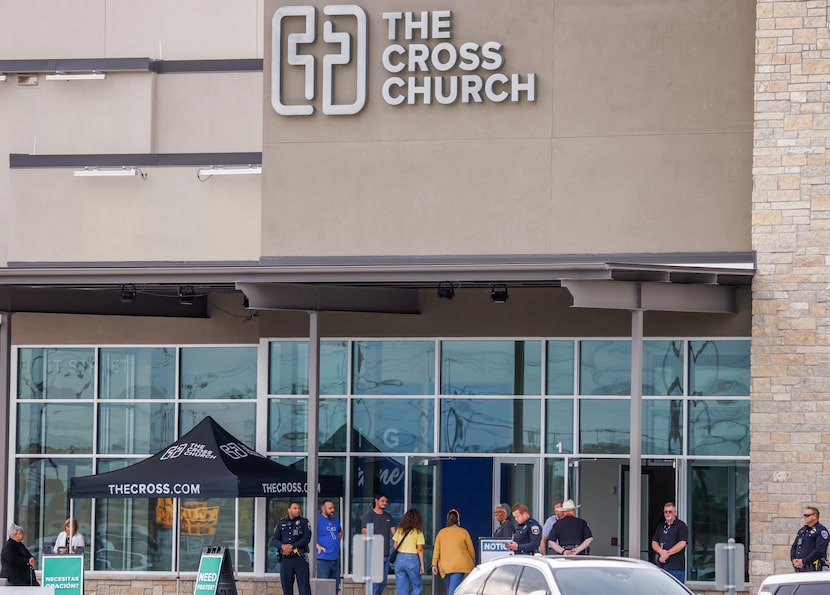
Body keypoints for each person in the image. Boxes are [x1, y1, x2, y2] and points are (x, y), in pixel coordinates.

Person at [432, 509, 475, 595]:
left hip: (445, 567)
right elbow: (471, 549)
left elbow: (436, 550)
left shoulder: (441, 533)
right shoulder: (463, 532)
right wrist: (473, 561)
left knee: (450, 590)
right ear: (458, 520)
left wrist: (434, 564)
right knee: (453, 591)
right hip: (460, 566)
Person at [271, 501, 311, 595]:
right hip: (286, 559)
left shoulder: (303, 522)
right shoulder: (282, 523)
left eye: (298, 508)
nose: (297, 510)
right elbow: (274, 539)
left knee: (304, 587)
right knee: (286, 587)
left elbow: (306, 538)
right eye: (295, 508)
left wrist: (292, 546)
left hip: (300, 558)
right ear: (289, 510)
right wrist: (283, 546)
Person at [361, 492, 396, 595]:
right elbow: (364, 532)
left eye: (386, 501)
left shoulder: (388, 517)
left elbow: (395, 534)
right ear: (376, 501)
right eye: (382, 501)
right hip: (374, 555)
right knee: (375, 583)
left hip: (386, 555)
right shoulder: (369, 516)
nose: (385, 503)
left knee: (383, 582)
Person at [651, 502, 688, 583]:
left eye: (670, 511)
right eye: (666, 512)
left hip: (676, 567)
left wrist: (667, 553)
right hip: (661, 566)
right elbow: (654, 542)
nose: (668, 514)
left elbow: (682, 543)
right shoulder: (660, 526)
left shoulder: (681, 525)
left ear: (675, 512)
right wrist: (661, 551)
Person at [392, 508, 425, 595]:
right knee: (417, 586)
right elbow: (420, 549)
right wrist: (422, 564)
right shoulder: (418, 532)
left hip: (399, 558)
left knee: (401, 588)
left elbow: (395, 545)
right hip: (412, 558)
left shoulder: (400, 530)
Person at [791, 506, 829, 572]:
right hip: (800, 567)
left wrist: (804, 561)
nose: (805, 517)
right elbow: (794, 546)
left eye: (807, 515)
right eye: (804, 515)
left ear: (814, 516)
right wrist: (793, 559)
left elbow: (819, 550)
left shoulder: (821, 531)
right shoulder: (802, 531)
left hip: (814, 568)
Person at [316, 499, 343, 594]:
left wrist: (335, 543)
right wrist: (317, 545)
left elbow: (339, 533)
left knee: (335, 586)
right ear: (323, 509)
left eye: (333, 508)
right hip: (323, 558)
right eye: (330, 508)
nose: (332, 510)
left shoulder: (335, 519)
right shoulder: (317, 520)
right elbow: (309, 535)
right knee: (323, 586)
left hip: (335, 558)